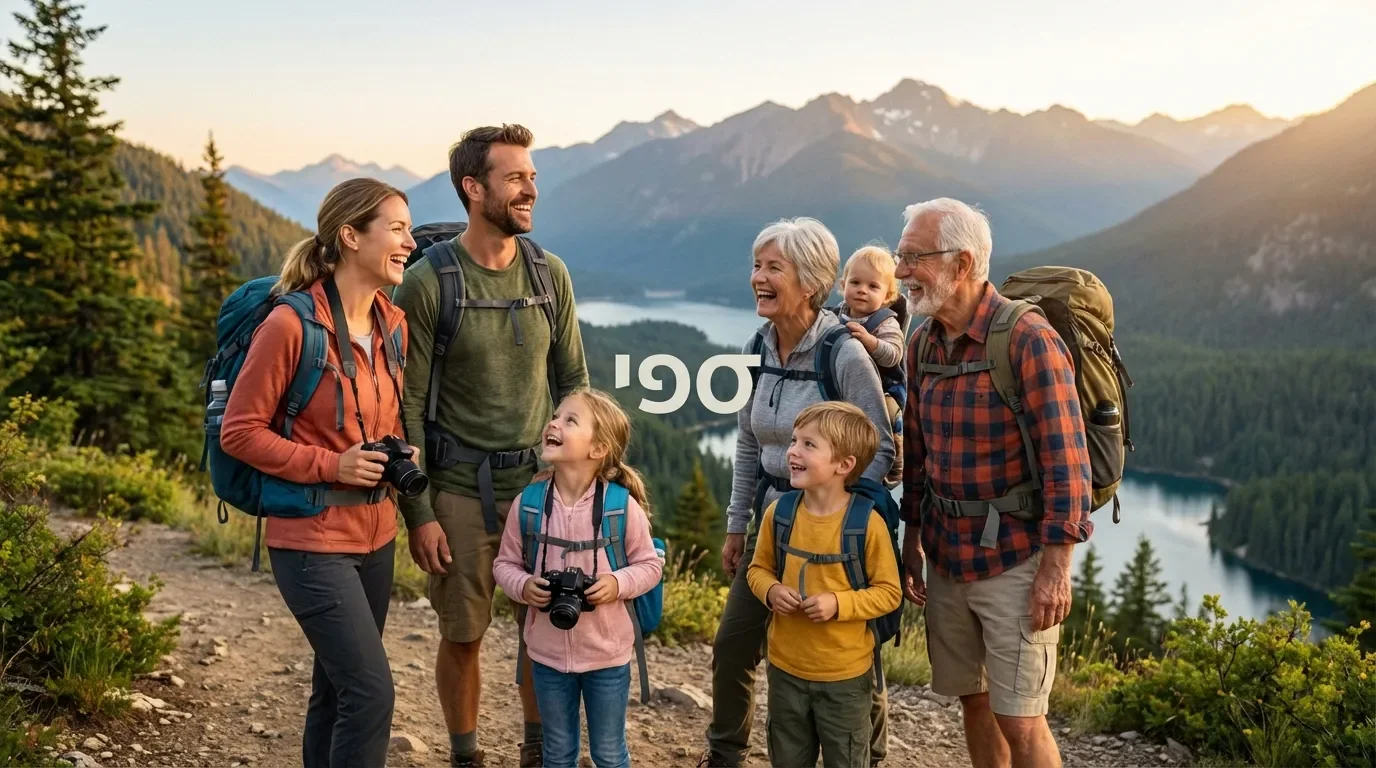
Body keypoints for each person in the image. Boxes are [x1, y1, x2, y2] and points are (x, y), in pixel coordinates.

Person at [391, 124, 590, 768]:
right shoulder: (428, 283)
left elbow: (573, 385)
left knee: (544, 630)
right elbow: (406, 413)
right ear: (475, 190)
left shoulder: (548, 272)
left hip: (539, 486)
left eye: (532, 176)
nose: (531, 188)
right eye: (516, 178)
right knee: (464, 634)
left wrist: (583, 476)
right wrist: (419, 514)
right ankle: (465, 756)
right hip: (456, 491)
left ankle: (540, 753)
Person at [220, 178, 417, 768]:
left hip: (377, 536)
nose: (410, 242)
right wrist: (335, 463)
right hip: (309, 539)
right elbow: (240, 431)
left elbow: (382, 420)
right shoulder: (291, 326)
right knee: (371, 692)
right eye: (398, 228)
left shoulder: (392, 325)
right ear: (350, 236)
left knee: (336, 692)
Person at [895, 198, 1093, 768]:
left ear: (961, 264)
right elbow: (917, 454)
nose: (902, 271)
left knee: (1021, 718)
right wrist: (912, 542)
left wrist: (1056, 570)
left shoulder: (1027, 340)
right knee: (974, 702)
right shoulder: (922, 342)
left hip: (1017, 559)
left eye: (914, 257)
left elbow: (1066, 461)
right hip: (947, 555)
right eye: (900, 256)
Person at [702, 217, 895, 768]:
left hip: (837, 525)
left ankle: (866, 755)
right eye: (756, 266)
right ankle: (725, 755)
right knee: (734, 645)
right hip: (771, 522)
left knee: (853, 649)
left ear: (809, 282)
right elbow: (746, 442)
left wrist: (833, 508)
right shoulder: (755, 345)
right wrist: (738, 524)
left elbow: (878, 448)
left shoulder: (844, 354)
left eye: (773, 268)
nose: (758, 278)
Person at [492, 388, 662, 768]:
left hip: (608, 656)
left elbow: (650, 566)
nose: (554, 423)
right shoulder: (530, 503)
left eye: (570, 420)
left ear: (598, 449)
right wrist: (523, 587)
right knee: (557, 752)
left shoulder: (621, 507)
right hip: (547, 655)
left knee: (609, 752)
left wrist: (617, 584)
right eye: (555, 416)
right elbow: (504, 564)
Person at [746, 401, 902, 768]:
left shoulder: (866, 524)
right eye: (794, 441)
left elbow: (889, 592)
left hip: (845, 678)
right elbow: (757, 569)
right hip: (785, 670)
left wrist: (839, 604)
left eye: (809, 445)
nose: (793, 452)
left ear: (843, 465)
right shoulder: (779, 514)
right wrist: (769, 590)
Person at [836, 245, 909, 488]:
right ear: (842, 285)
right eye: (855, 282)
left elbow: (893, 355)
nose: (862, 291)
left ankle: (894, 463)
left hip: (884, 387)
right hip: (844, 386)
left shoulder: (886, 321)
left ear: (887, 296)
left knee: (887, 415)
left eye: (872, 286)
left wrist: (870, 342)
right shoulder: (835, 316)